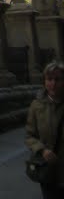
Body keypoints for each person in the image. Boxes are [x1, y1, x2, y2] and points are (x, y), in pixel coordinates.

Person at [26, 60, 64, 198]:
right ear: (44, 81)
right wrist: (42, 150)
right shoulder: (36, 106)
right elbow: (29, 136)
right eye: (49, 79)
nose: (53, 84)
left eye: (58, 79)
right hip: (49, 171)